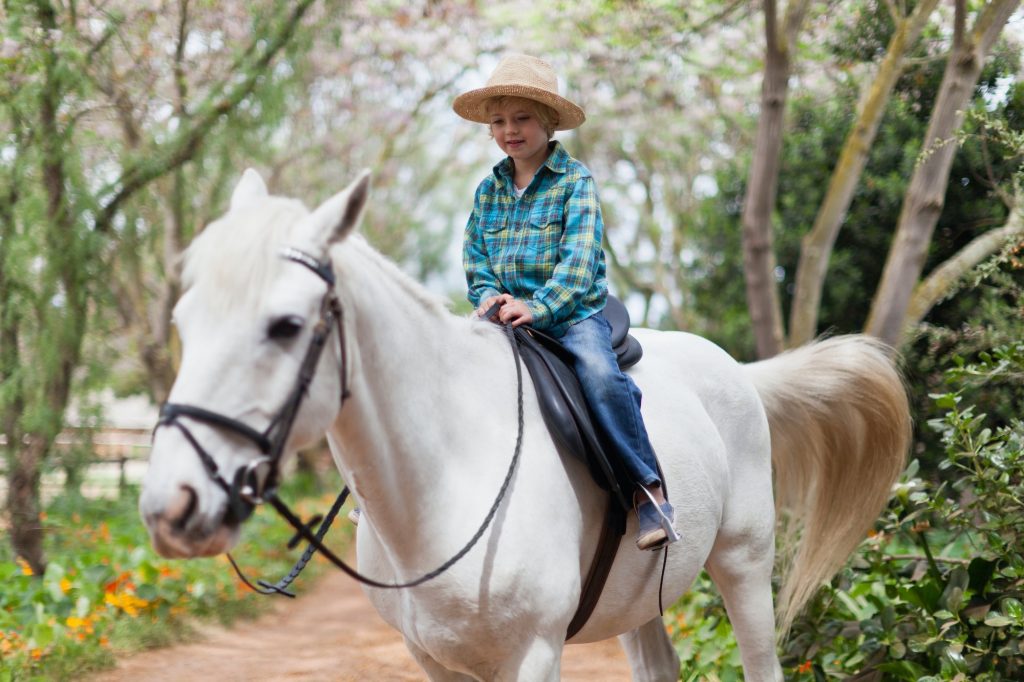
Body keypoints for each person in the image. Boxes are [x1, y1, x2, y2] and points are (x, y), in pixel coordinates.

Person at [453, 54, 680, 551]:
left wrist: (539, 307)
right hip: (505, 312)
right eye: (498, 121)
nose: (510, 130)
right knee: (448, 363)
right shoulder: (488, 191)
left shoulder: (575, 183)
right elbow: (475, 257)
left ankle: (648, 490)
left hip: (571, 313)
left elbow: (579, 265)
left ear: (549, 122)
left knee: (599, 375)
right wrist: (489, 296)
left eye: (522, 118)